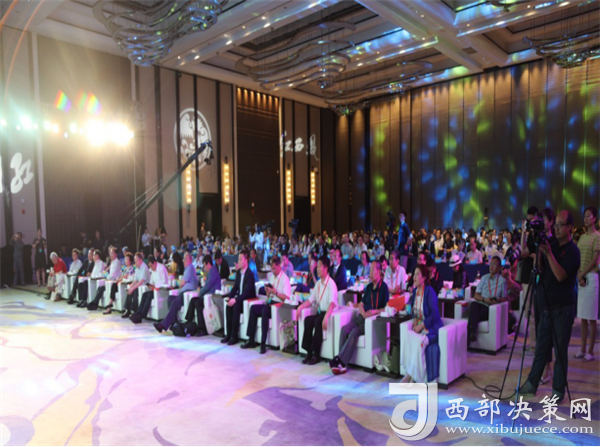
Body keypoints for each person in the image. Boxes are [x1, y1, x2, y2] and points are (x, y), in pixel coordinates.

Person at [520, 210, 580, 403]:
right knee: (541, 348)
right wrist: (540, 250)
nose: (557, 228)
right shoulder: (551, 244)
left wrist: (548, 253)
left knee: (560, 351)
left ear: (570, 227)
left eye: (560, 225)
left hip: (563, 308)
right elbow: (539, 268)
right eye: (556, 225)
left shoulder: (573, 251)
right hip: (546, 305)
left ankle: (558, 391)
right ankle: (532, 383)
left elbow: (560, 275)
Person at [330, 260, 389, 374]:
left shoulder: (384, 288)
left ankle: (340, 362)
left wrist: (374, 311)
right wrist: (363, 313)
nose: (370, 273)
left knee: (355, 332)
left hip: (371, 321)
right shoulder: (369, 287)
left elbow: (386, 309)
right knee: (344, 329)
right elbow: (361, 304)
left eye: (372, 270)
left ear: (379, 272)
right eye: (370, 270)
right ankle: (340, 361)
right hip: (362, 317)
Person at [400, 265, 443, 383]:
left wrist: (421, 325)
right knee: (408, 336)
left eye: (417, 274)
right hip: (420, 328)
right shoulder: (415, 292)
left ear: (424, 278)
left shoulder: (429, 292)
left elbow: (434, 314)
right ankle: (410, 374)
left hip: (431, 329)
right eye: (413, 274)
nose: (414, 277)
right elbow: (415, 311)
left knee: (419, 342)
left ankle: (414, 377)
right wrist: (414, 319)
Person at [242, 256, 292, 354]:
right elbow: (269, 296)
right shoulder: (272, 277)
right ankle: (251, 339)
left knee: (265, 310)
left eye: (274, 268)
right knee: (253, 308)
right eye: (271, 268)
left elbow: (287, 298)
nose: (272, 271)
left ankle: (263, 343)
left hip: (278, 306)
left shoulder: (285, 279)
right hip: (270, 302)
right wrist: (268, 292)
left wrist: (275, 292)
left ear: (279, 266)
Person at [296, 256, 338, 365]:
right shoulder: (318, 284)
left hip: (329, 314)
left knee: (318, 321)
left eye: (319, 266)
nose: (317, 269)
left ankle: (316, 354)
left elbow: (332, 303)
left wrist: (326, 317)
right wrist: (300, 307)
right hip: (320, 313)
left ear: (326, 268)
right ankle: (308, 352)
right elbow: (310, 300)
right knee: (308, 320)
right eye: (317, 266)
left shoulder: (331, 284)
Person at [575, 206, 599, 362]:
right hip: (581, 277)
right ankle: (582, 349)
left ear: (595, 218)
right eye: (584, 216)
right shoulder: (582, 237)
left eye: (589, 216)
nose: (586, 218)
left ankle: (590, 350)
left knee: (591, 318)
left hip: (591, 277)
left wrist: (582, 274)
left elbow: (595, 259)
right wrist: (579, 274)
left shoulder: (597, 236)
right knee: (582, 317)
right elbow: (578, 257)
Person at [467, 256, 508, 346]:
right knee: (474, 304)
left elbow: (505, 298)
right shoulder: (484, 278)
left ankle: (470, 332)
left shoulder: (502, 281)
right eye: (490, 264)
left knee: (474, 312)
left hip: (491, 309)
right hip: (481, 304)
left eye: (494, 264)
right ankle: (471, 333)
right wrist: (484, 299)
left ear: (499, 268)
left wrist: (498, 299)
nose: (491, 266)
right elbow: (476, 295)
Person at [154, 252, 199, 333]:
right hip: (183, 293)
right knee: (170, 299)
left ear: (189, 259)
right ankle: (174, 324)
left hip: (187, 294)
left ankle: (163, 325)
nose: (183, 261)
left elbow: (181, 283)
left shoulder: (190, 268)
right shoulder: (187, 269)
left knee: (174, 302)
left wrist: (180, 282)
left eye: (184, 259)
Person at [221, 250, 256, 345]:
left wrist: (235, 300)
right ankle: (228, 335)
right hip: (240, 299)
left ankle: (234, 336)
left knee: (236, 305)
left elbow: (247, 293)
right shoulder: (238, 273)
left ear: (246, 260)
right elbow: (235, 287)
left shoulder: (250, 274)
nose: (238, 261)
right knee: (228, 306)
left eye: (240, 259)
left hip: (246, 300)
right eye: (238, 259)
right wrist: (230, 297)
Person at [184, 254, 221, 336]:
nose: (204, 268)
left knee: (198, 303)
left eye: (204, 265)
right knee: (193, 300)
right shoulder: (210, 272)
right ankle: (188, 322)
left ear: (208, 264)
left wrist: (200, 292)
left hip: (212, 296)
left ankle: (202, 328)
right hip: (207, 294)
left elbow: (208, 286)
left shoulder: (213, 271)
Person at [130, 255, 169, 324]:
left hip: (161, 290)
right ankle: (138, 313)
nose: (150, 268)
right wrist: (149, 285)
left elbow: (164, 282)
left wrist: (155, 285)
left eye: (151, 266)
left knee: (149, 295)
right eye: (149, 266)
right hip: (154, 290)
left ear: (155, 263)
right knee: (144, 294)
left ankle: (141, 315)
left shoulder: (161, 268)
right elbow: (151, 281)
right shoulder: (153, 269)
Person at [121, 253, 151, 319]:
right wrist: (130, 287)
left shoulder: (144, 267)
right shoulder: (137, 269)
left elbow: (141, 282)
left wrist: (132, 288)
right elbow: (135, 281)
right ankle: (128, 310)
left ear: (140, 260)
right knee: (130, 290)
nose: (135, 263)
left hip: (145, 287)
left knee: (134, 290)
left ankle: (135, 311)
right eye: (135, 261)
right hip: (139, 286)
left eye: (136, 261)